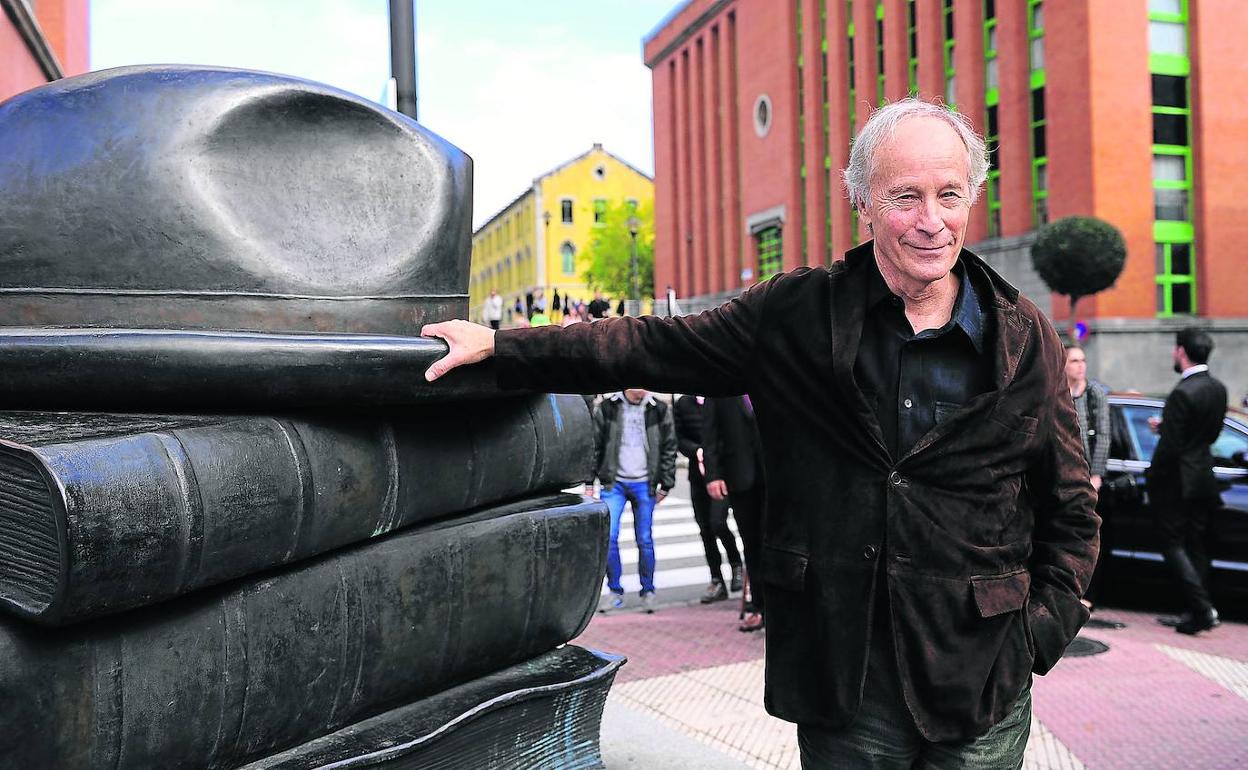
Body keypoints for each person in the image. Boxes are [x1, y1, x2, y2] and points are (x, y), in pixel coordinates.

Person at [423, 98, 1098, 768]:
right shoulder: (797, 315)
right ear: (862, 201)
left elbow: (1070, 505)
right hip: (846, 685)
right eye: (906, 197)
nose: (931, 222)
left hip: (982, 682)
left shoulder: (1021, 336)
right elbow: (650, 344)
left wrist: (1038, 634)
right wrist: (501, 349)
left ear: (971, 197)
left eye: (949, 195)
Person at [1148, 327, 1227, 635]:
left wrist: (1151, 476)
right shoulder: (1218, 388)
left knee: (1172, 544)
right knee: (1196, 545)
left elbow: (1171, 448)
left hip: (1177, 480)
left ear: (1181, 352)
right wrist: (1167, 427)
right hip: (1203, 475)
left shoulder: (1182, 392)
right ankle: (1196, 611)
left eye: (1174, 349)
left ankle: (1201, 609)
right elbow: (1208, 434)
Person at [590, 389, 676, 614]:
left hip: (645, 483)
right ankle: (615, 591)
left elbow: (669, 446)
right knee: (609, 537)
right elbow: (595, 444)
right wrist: (590, 481)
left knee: (645, 539)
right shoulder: (609, 407)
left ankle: (648, 590)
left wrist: (666, 483)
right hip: (614, 482)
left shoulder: (658, 408)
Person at [703, 395, 767, 631]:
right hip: (740, 476)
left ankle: (783, 607)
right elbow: (709, 435)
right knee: (753, 544)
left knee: (779, 541)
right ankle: (759, 607)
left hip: (776, 474)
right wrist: (713, 475)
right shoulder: (721, 382)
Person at [673, 394, 744, 604]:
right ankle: (717, 579)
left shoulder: (721, 399)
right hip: (697, 475)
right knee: (705, 529)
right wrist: (697, 451)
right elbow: (680, 439)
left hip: (722, 474)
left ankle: (736, 563)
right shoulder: (684, 403)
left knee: (718, 523)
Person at [1064, 344, 1112, 613]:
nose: (1080, 365)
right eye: (1074, 360)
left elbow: (1104, 435)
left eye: (1083, 360)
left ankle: (1089, 593)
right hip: (1066, 477)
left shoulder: (1094, 394)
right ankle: (1069, 590)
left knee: (1090, 537)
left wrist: (1096, 474)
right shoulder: (1059, 392)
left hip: (1088, 479)